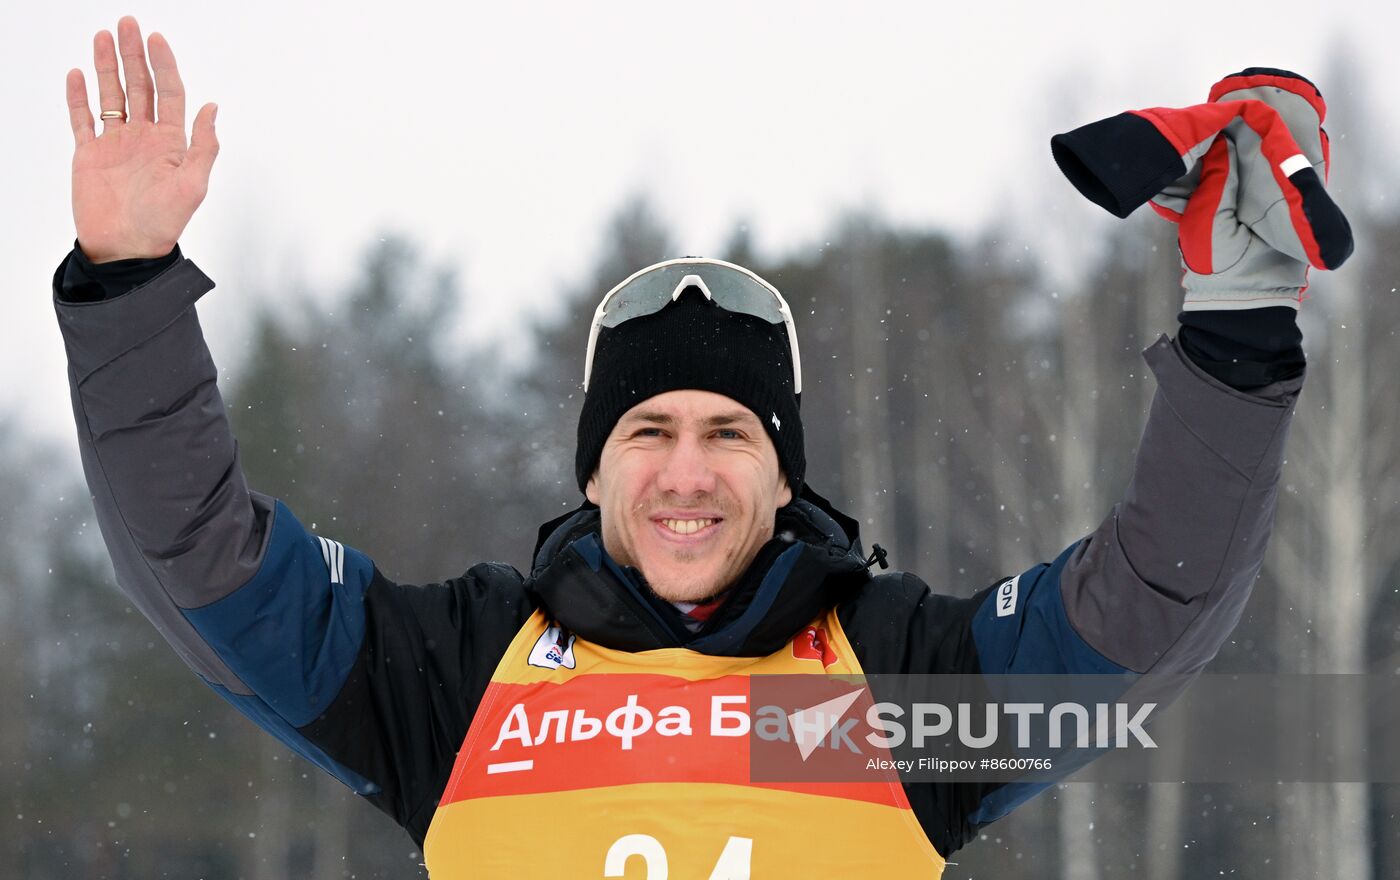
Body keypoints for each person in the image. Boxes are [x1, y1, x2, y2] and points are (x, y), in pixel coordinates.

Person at [56, 16, 1350, 877]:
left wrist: (1237, 340)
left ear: (783, 473)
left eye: (730, 432)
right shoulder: (452, 678)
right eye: (649, 430)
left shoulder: (894, 690)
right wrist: (128, 287)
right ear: (593, 467)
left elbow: (1148, 607)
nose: (687, 470)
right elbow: (201, 563)